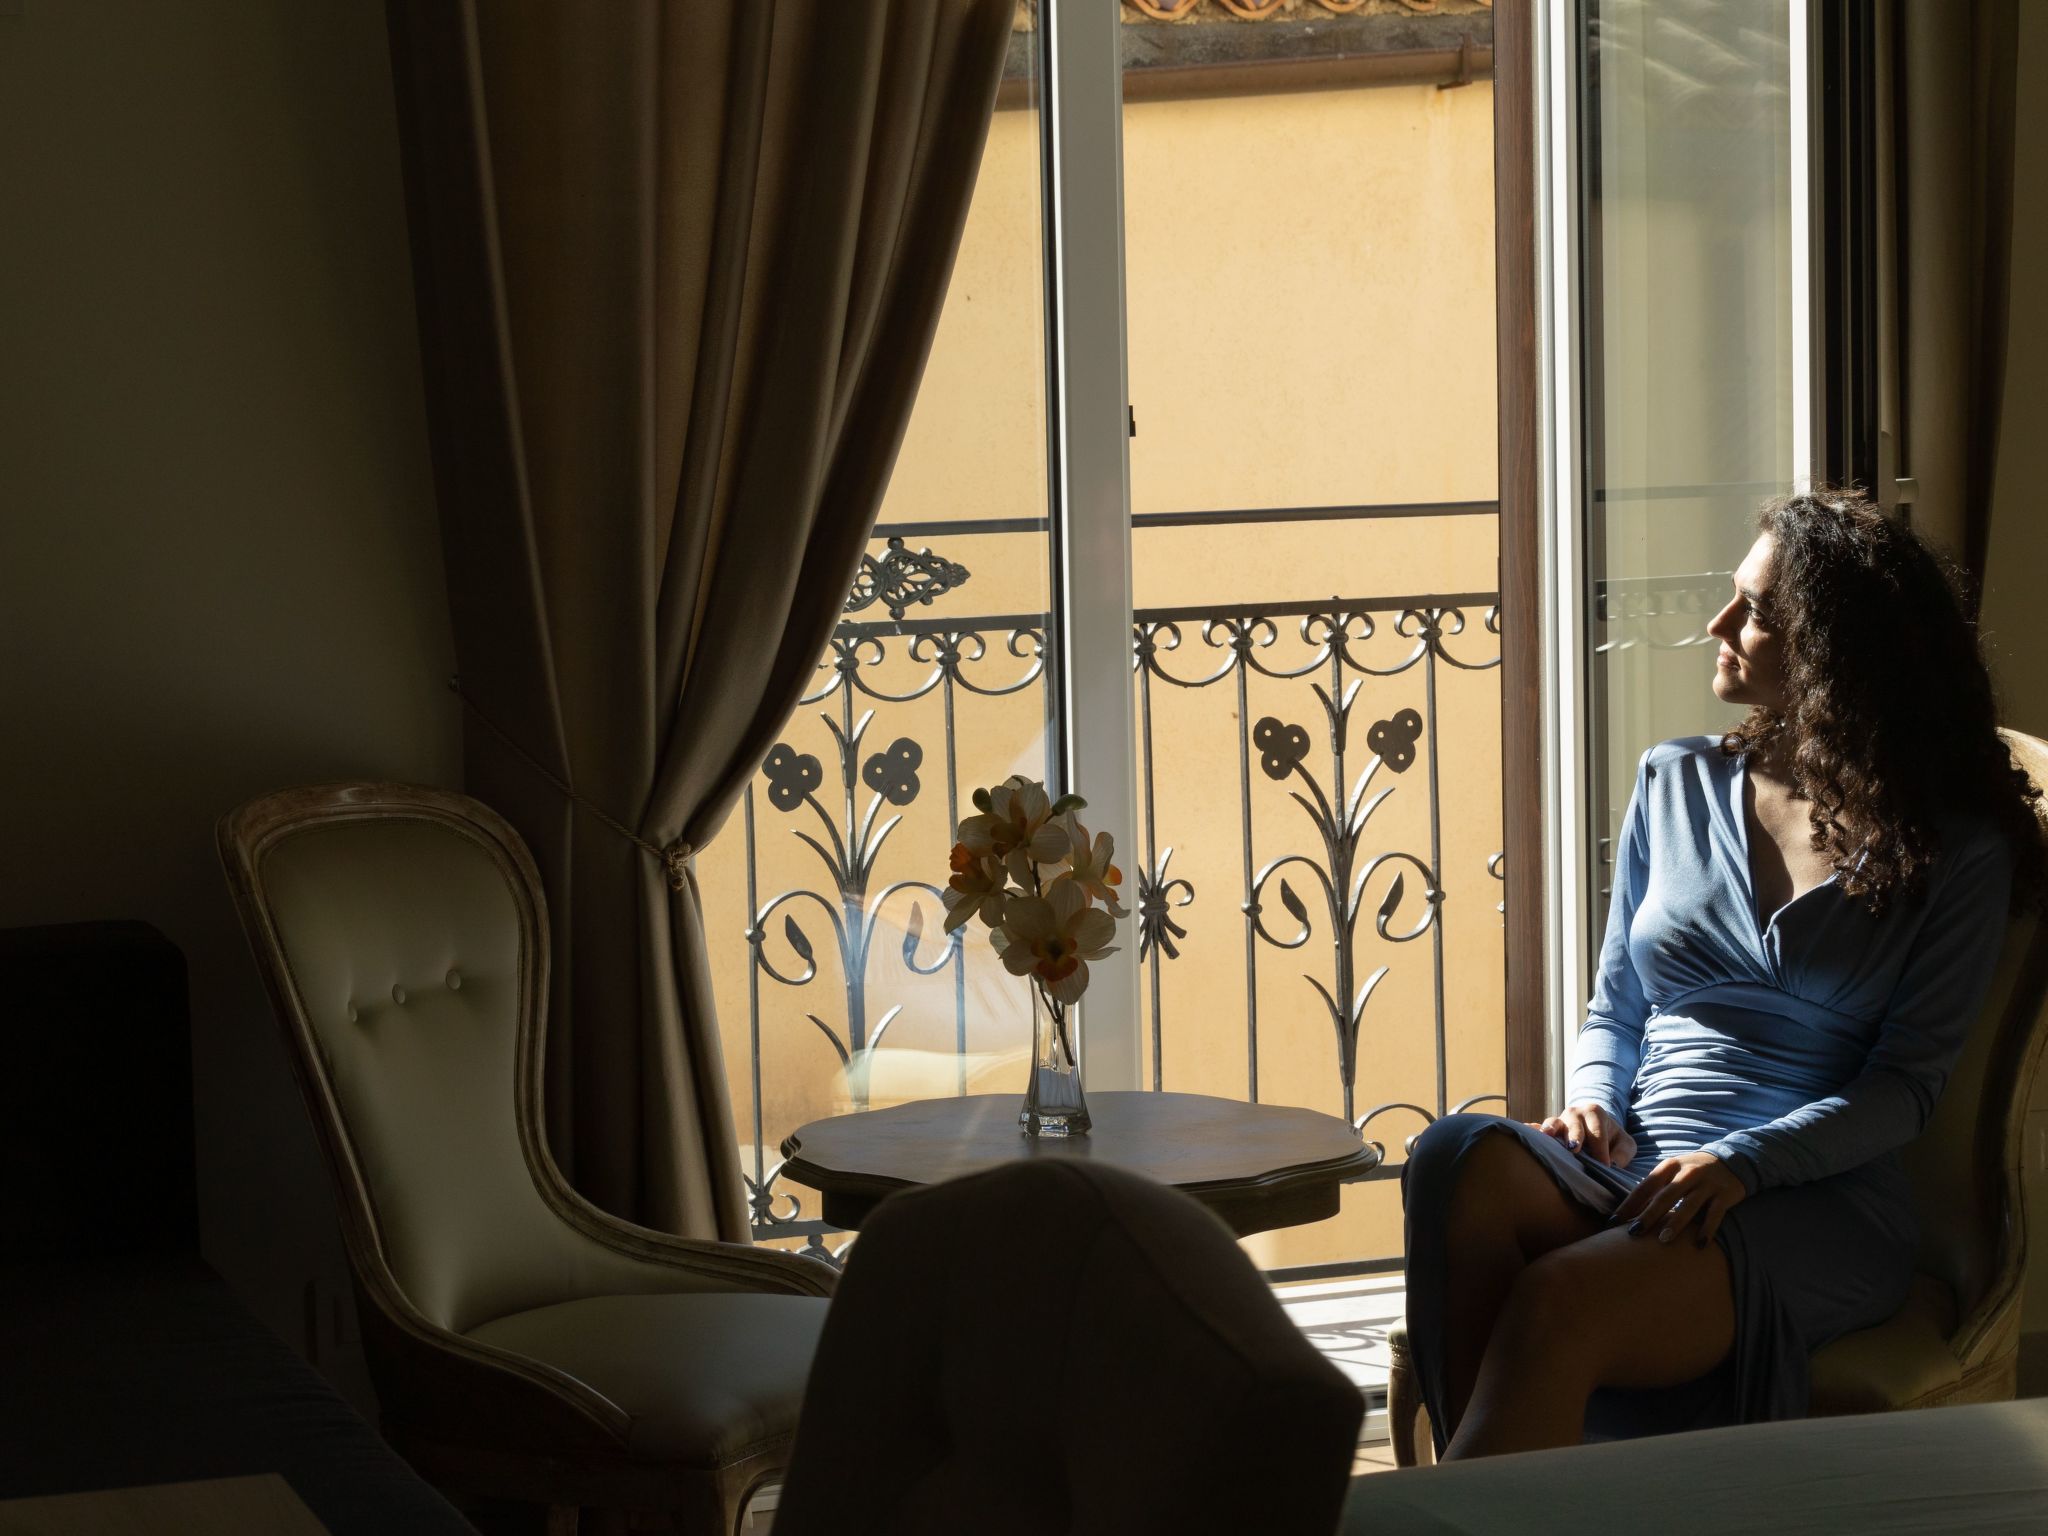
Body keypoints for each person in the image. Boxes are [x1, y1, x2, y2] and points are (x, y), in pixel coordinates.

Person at [1401, 489, 2043, 1460]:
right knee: (1451, 1155)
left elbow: (1905, 1088)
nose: (1718, 624)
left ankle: (1463, 1509)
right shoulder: (1673, 779)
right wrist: (1592, 1100)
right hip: (1642, 1161)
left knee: (1559, 1298)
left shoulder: (1953, 849)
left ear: (1833, 654)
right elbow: (1616, 1004)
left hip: (1807, 1198)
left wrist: (1744, 1163)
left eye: (1755, 611)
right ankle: (1512, 1497)